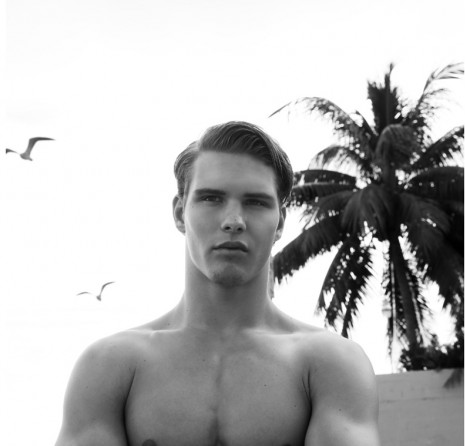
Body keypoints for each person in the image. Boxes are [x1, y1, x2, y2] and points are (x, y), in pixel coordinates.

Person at [55, 121, 380, 446]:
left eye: (256, 202)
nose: (233, 221)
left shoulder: (330, 365)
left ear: (280, 223)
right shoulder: (110, 367)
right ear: (180, 213)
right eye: (211, 198)